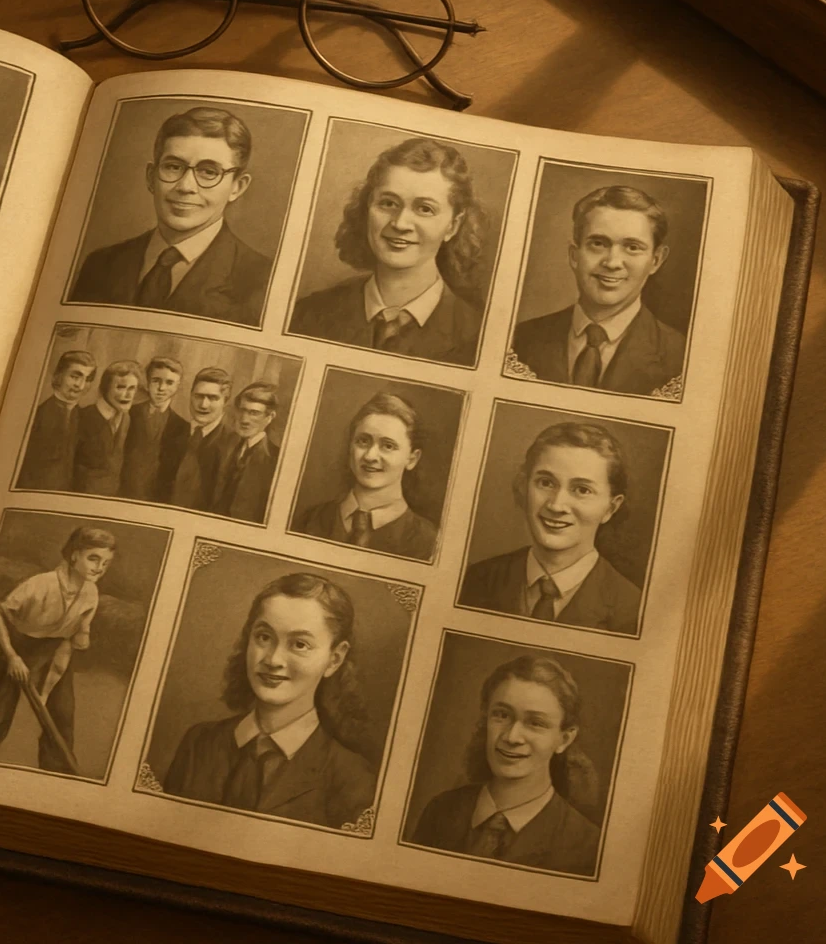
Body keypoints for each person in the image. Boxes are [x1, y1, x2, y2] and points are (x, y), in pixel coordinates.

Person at [163, 573, 376, 829]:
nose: (273, 659)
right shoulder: (198, 744)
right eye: (264, 637)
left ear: (335, 659)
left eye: (299, 644)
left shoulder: (353, 777)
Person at [289, 137, 488, 365]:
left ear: (452, 225)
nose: (400, 224)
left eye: (425, 209)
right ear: (367, 209)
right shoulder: (309, 314)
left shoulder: (477, 336)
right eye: (388, 204)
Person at [70, 106, 271, 326]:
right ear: (150, 177)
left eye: (209, 172)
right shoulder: (100, 265)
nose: (185, 186)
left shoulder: (261, 280)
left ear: (237, 187)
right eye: (173, 167)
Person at [410, 655, 602, 875]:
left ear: (564, 739)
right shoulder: (441, 811)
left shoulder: (587, 845)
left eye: (536, 723)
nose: (512, 737)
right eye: (501, 715)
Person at [0, 526, 116, 773]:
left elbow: (67, 647)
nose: (99, 568)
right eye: (93, 558)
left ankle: (60, 777)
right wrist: (12, 656)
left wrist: (46, 691)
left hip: (54, 652)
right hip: (17, 646)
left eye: (105, 562)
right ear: (74, 555)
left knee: (61, 717)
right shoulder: (41, 584)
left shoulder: (91, 593)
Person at [458, 422, 640, 635]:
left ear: (610, 508)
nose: (556, 505)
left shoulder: (632, 610)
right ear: (525, 487)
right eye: (546, 483)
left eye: (582, 489)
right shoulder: (474, 580)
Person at [511, 186, 686, 395]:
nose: (612, 263)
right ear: (574, 255)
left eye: (632, 247)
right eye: (598, 243)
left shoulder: (682, 356)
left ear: (656, 260)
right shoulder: (520, 339)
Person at [292, 392, 438, 561]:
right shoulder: (309, 520)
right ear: (350, 447)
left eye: (388, 446)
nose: (370, 456)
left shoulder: (429, 542)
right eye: (363, 441)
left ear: (412, 459)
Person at [16, 350, 96, 491]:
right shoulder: (38, 416)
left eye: (87, 379)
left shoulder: (86, 418)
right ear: (59, 376)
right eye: (75, 377)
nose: (81, 385)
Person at [119, 356, 190, 503]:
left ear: (178, 386)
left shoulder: (183, 427)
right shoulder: (129, 414)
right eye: (156, 381)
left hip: (158, 500)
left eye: (169, 382)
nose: (161, 388)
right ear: (147, 381)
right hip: (123, 493)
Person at [209, 383, 280, 523]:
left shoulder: (276, 459)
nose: (244, 420)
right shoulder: (222, 448)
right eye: (242, 411)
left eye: (254, 413)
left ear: (270, 417)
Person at [73, 360, 141, 497]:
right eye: (120, 387)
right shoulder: (82, 417)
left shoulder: (126, 419)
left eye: (132, 388)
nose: (127, 395)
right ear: (105, 388)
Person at [169, 367, 233, 512]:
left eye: (213, 398)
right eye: (199, 396)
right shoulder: (173, 432)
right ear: (190, 396)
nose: (203, 405)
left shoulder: (233, 443)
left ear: (226, 401)